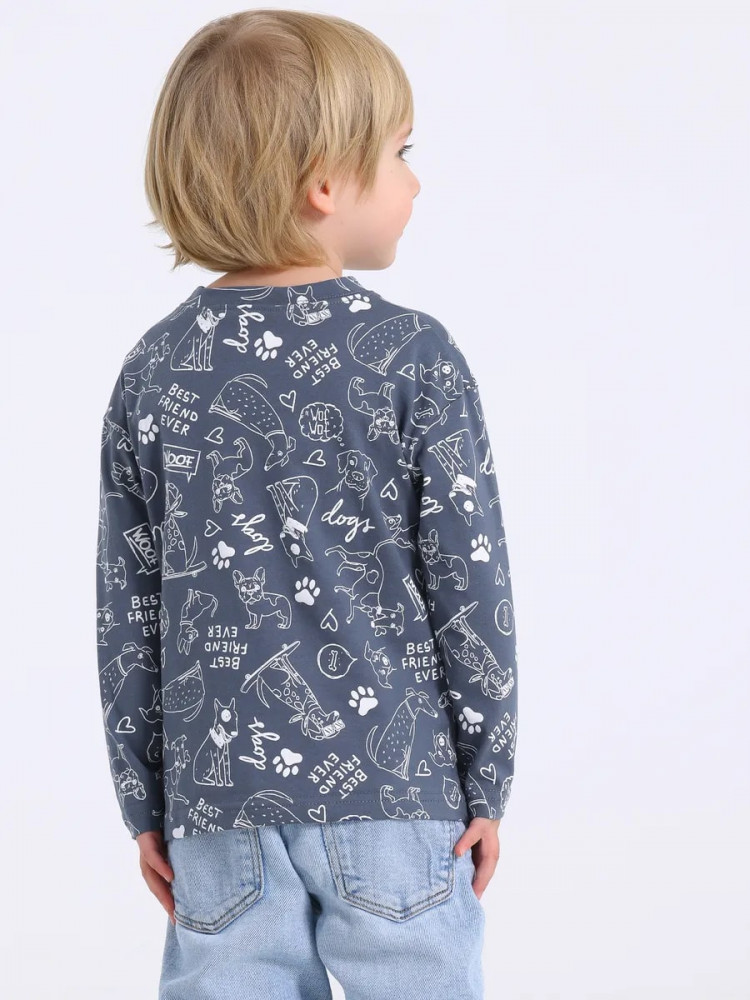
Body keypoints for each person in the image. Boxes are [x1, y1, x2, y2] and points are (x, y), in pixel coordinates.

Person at [95, 9, 519, 999]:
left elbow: (129, 609)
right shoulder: (412, 358)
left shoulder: (154, 370)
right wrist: (486, 773)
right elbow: (470, 584)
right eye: (400, 152)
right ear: (325, 181)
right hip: (395, 787)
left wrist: (144, 798)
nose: (415, 181)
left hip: (215, 802)